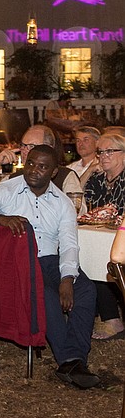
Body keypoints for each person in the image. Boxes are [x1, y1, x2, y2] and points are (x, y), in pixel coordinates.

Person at [0, 145, 99, 388]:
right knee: (44, 295)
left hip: (50, 260)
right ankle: (70, 361)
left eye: (42, 166)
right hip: (18, 263)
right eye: (30, 163)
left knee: (85, 290)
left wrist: (67, 278)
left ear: (53, 172)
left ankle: (76, 357)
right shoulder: (8, 190)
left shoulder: (62, 202)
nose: (33, 170)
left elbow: (68, 243)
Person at [82, 133, 125, 340]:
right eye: (101, 152)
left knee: (100, 256)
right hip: (97, 233)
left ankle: (112, 319)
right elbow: (78, 197)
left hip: (120, 237)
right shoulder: (97, 177)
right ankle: (103, 315)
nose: (104, 156)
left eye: (110, 151)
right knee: (87, 253)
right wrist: (90, 168)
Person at [0, 125, 82, 200]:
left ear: (49, 148)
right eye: (23, 145)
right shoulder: (14, 178)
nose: (25, 151)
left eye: (31, 146)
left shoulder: (65, 176)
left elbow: (77, 211)